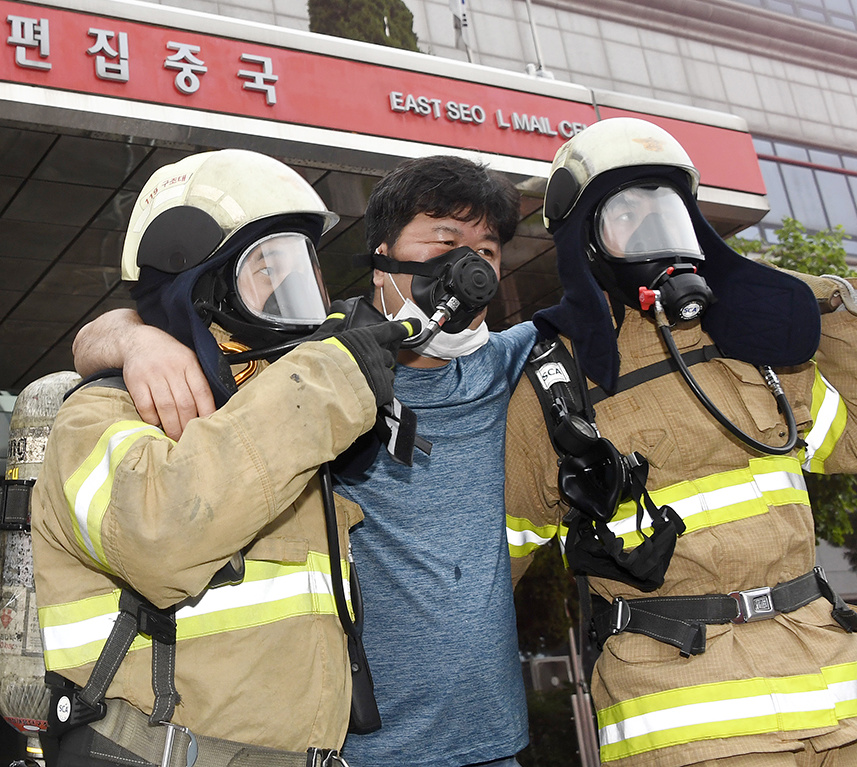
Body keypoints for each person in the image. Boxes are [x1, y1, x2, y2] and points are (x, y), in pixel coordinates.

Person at [74, 154, 537, 767]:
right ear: (381, 253)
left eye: (488, 252)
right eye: (446, 241)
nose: (470, 269)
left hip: (491, 740)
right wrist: (135, 339)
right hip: (351, 745)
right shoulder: (317, 358)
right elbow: (152, 316)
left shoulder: (509, 369)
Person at [503, 117, 857, 767]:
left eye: (668, 210)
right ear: (589, 246)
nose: (654, 230)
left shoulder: (753, 348)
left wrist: (821, 306)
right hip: (689, 708)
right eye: (626, 213)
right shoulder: (556, 382)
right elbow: (504, 548)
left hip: (829, 689)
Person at [31, 148, 410, 767]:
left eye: (302, 270)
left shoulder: (274, 416)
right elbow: (163, 532)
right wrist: (327, 383)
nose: (296, 293)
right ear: (197, 288)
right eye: (269, 270)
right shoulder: (97, 418)